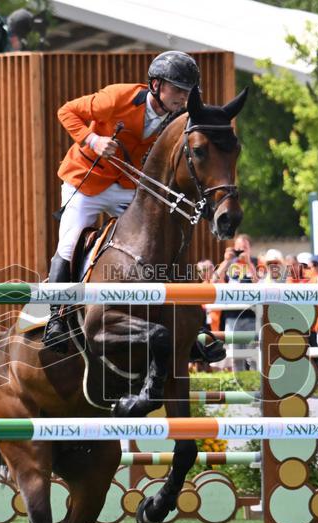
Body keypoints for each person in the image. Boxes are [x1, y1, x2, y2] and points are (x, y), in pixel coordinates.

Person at [42, 51, 201, 349]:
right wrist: (93, 140)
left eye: (188, 92)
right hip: (86, 180)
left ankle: (189, 322)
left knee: (161, 237)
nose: (183, 97)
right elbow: (66, 111)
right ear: (156, 85)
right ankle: (57, 317)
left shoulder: (181, 118)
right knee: (70, 241)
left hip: (129, 186)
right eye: (178, 90)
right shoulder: (117, 98)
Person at [213, 234, 257, 371]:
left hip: (252, 316)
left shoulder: (256, 263)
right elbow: (214, 280)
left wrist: (248, 262)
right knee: (236, 357)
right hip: (232, 317)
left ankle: (257, 387)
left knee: (255, 357)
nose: (241, 250)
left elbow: (258, 283)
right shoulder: (228, 264)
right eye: (238, 247)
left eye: (244, 247)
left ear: (250, 249)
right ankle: (240, 388)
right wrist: (226, 261)